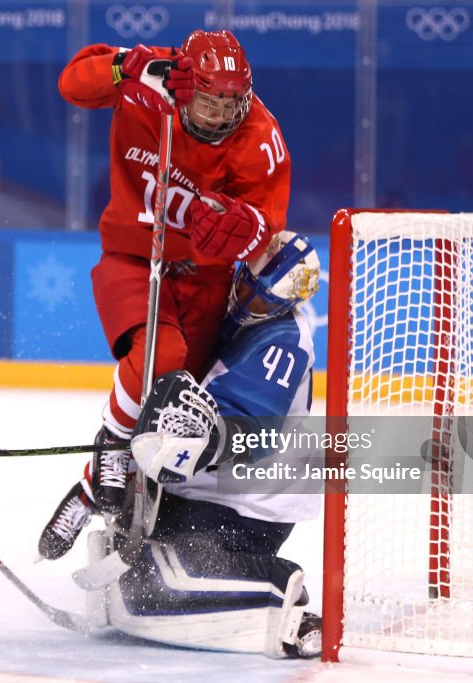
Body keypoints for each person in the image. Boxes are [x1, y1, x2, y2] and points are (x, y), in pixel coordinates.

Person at [46, 231, 323, 658]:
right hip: (212, 491)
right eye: (245, 286)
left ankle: (280, 594)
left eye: (263, 301)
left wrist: (200, 443)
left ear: (285, 304)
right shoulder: (229, 313)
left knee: (147, 587)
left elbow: (247, 431)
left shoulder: (284, 341)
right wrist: (99, 479)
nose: (248, 304)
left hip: (249, 505)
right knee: (131, 561)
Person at [51, 29, 292, 519]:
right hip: (135, 256)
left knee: (176, 412)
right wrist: (125, 67)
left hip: (207, 283)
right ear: (187, 91)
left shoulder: (260, 137)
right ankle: (112, 447)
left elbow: (264, 230)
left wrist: (238, 229)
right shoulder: (150, 78)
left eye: (233, 104)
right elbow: (73, 84)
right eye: (211, 104)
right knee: (162, 355)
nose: (223, 116)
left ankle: (104, 500)